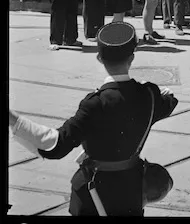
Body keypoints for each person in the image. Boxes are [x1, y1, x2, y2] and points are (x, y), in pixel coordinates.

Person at [8, 21, 178, 216]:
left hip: (94, 193)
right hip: (131, 191)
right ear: (132, 58)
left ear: (99, 58)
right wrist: (158, 92)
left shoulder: (95, 104)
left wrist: (13, 119)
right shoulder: (149, 95)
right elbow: (170, 101)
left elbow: (55, 145)